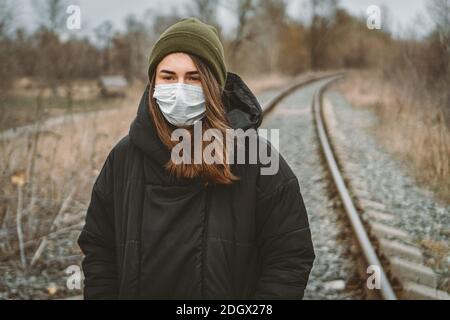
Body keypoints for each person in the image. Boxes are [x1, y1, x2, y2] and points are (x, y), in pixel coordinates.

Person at [77, 17, 315, 300]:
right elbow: (99, 249)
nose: (179, 89)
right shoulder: (124, 158)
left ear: (214, 84)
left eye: (193, 77)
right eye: (168, 77)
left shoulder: (257, 159)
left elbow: (289, 256)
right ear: (153, 83)